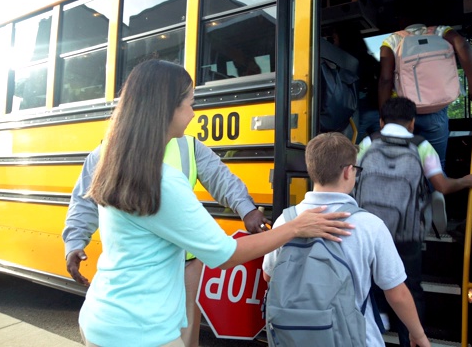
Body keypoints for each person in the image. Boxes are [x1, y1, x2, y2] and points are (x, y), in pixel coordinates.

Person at [77, 59, 353, 347]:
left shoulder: (115, 162)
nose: (193, 113)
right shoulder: (162, 181)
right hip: (141, 332)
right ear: (166, 108)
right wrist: (296, 227)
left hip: (101, 318)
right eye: (189, 103)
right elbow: (225, 255)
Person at [63, 136, 271, 347]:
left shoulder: (187, 146)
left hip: (185, 266)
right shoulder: (107, 151)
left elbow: (220, 178)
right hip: (141, 270)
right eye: (188, 105)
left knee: (185, 338)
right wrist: (74, 241)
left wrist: (246, 209)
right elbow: (85, 199)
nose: (192, 113)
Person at [262, 132, 430, 347]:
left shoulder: (285, 221)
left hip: (293, 338)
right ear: (348, 171)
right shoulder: (369, 225)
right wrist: (418, 334)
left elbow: (269, 276)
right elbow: (397, 294)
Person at [358, 97, 472, 346]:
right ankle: (409, 338)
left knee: (369, 279)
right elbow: (441, 186)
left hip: (369, 231)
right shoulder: (422, 146)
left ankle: (376, 326)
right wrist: (467, 180)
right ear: (412, 123)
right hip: (407, 234)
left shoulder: (368, 142)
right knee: (409, 288)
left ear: (381, 121)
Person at [378, 10, 472, 169]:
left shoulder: (392, 41)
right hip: (436, 111)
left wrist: (384, 116)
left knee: (401, 165)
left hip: (402, 112)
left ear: (401, 18)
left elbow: (385, 80)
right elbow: (463, 44)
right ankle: (436, 191)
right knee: (436, 165)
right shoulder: (441, 32)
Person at [329, 23, 381, 142]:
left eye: (334, 38)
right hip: (375, 108)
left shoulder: (342, 61)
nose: (333, 42)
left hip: (356, 111)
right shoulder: (368, 59)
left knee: (350, 146)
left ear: (342, 38)